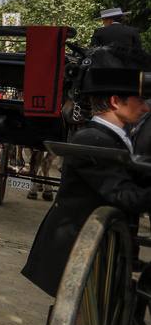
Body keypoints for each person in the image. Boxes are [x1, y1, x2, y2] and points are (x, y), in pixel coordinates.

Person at [21, 46, 151, 296]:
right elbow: (124, 195)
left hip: (104, 252)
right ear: (115, 101)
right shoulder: (92, 140)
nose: (145, 108)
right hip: (77, 255)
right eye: (139, 100)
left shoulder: (114, 136)